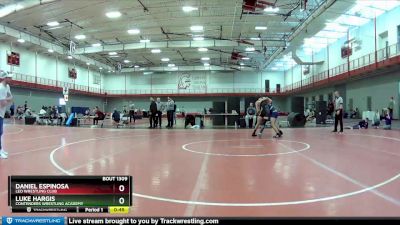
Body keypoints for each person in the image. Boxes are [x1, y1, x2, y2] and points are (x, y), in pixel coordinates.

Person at [0, 71, 13, 159]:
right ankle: (0, 151)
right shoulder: (0, 88)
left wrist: (6, 99)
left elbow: (11, 97)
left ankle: (1, 149)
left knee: (0, 132)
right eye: (10, 77)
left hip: (2, 112)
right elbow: (2, 103)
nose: (11, 79)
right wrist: (7, 100)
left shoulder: (7, 86)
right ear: (5, 78)